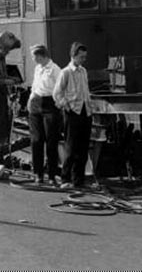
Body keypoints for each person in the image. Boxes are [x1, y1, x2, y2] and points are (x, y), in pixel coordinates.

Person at [53, 42, 93, 189]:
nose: (83, 59)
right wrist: (66, 105)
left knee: (83, 149)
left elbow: (85, 91)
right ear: (73, 56)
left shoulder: (83, 71)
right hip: (73, 113)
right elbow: (57, 93)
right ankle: (65, 179)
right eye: (81, 57)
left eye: (85, 57)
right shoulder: (66, 72)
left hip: (85, 112)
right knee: (71, 147)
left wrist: (90, 107)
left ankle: (79, 180)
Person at [27, 44, 62, 185]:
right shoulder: (37, 68)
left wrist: (59, 104)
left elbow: (60, 88)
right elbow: (35, 86)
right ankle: (38, 174)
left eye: (34, 56)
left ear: (41, 56)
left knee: (51, 141)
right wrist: (30, 100)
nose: (33, 59)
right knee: (36, 140)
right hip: (36, 103)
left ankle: (52, 175)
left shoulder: (55, 70)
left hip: (50, 104)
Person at [0, 31, 22, 164]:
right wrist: (6, 82)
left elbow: (2, 76)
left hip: (3, 95)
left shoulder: (1, 58)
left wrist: (12, 79)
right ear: (0, 47)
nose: (7, 53)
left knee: (4, 125)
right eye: (6, 50)